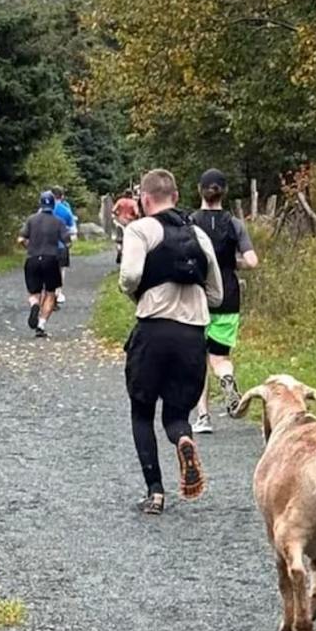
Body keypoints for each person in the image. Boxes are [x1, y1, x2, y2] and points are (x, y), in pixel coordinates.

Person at [119, 169, 223, 516]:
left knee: (142, 410)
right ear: (176, 197)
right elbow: (218, 294)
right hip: (192, 335)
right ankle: (183, 439)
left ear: (145, 200)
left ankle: (156, 492)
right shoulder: (198, 235)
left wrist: (139, 292)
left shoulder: (140, 229)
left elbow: (130, 276)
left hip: (153, 331)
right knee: (177, 414)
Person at [189, 168, 259, 435]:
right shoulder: (235, 224)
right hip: (229, 296)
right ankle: (226, 378)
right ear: (224, 192)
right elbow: (252, 261)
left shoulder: (190, 222)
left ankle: (204, 417)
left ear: (200, 190)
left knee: (197, 359)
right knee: (220, 356)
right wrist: (231, 263)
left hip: (197, 297)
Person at [18, 191, 71, 340]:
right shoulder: (58, 222)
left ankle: (34, 304)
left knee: (33, 292)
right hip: (51, 259)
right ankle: (41, 325)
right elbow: (68, 242)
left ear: (40, 203)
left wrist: (29, 247)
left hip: (32, 258)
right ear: (53, 204)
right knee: (50, 293)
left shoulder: (31, 220)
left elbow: (21, 238)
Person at [51, 187, 77, 305]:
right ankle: (58, 292)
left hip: (45, 245)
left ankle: (47, 292)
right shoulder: (65, 210)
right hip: (61, 245)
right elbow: (72, 230)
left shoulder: (43, 210)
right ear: (62, 197)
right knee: (61, 269)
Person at [112, 187, 140, 265]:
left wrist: (118, 215)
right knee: (130, 240)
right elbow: (136, 213)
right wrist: (135, 218)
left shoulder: (120, 201)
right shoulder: (133, 203)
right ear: (131, 195)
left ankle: (119, 250)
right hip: (129, 222)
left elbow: (113, 210)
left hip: (119, 222)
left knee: (119, 239)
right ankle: (128, 256)